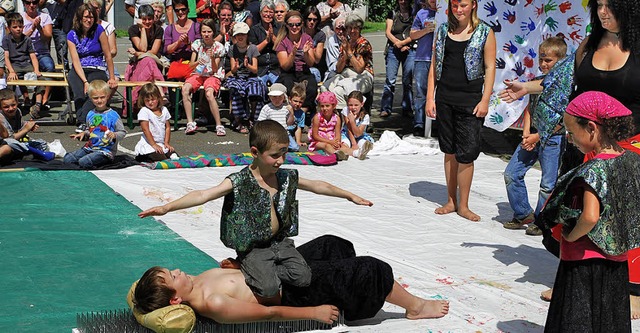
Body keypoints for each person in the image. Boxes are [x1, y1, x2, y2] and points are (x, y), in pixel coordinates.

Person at [498, 0, 640, 313]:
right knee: (576, 214)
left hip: (629, 150)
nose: (603, 12)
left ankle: (630, 291)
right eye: (599, 5)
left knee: (621, 222)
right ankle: (571, 280)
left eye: (611, 6)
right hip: (585, 147)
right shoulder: (588, 45)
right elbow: (561, 83)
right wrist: (526, 88)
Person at [138, 119, 374, 300]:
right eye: (274, 156)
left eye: (284, 153)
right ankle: (245, 265)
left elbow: (318, 185)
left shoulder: (284, 176)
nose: (281, 160)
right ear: (255, 153)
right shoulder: (239, 181)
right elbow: (202, 195)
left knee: (303, 278)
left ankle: (261, 269)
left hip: (280, 243)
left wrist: (350, 196)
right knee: (268, 288)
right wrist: (166, 207)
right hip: (254, 249)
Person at [133, 235, 450, 324]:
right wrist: (312, 313)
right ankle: (415, 306)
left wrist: (239, 263)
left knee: (331, 244)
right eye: (172, 277)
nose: (177, 271)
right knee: (368, 268)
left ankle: (354, 303)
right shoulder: (212, 304)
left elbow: (139, 293)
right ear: (175, 299)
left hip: (276, 270)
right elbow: (267, 312)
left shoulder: (197, 282)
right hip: (292, 293)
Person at [540, 91, 640, 332]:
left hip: (583, 259)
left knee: (578, 318)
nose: (569, 138)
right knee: (609, 318)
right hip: (617, 260)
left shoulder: (594, 170)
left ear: (592, 129)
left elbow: (590, 216)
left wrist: (571, 236)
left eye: (572, 132)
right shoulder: (632, 160)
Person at [425, 0, 496, 222]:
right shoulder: (444, 29)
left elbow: (490, 67)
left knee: (467, 154)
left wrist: (485, 99)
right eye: (455, 5)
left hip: (470, 100)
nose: (459, 10)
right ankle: (451, 200)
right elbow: (434, 65)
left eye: (463, 5)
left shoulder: (485, 32)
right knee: (449, 150)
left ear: (473, 5)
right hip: (445, 98)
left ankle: (464, 205)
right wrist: (430, 97)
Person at [503, 37, 569, 236]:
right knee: (512, 174)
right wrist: (526, 133)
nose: (543, 64)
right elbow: (530, 108)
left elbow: (564, 119)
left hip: (553, 139)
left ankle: (542, 220)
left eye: (548, 60)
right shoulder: (537, 81)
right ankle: (523, 213)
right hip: (533, 136)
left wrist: (538, 137)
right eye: (541, 59)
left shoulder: (565, 86)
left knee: (547, 184)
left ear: (561, 61)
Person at [66, 4, 117, 128]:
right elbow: (75, 61)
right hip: (79, 69)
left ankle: (82, 121)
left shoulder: (99, 30)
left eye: (92, 17)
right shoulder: (71, 35)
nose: (89, 20)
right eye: (86, 17)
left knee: (93, 92)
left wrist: (111, 77)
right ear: (79, 17)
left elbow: (108, 55)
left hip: (97, 67)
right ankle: (83, 122)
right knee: (79, 94)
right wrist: (84, 81)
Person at [63, 80, 126, 169]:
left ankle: (101, 162)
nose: (99, 100)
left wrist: (115, 135)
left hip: (105, 151)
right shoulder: (90, 114)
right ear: (90, 98)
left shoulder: (113, 115)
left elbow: (122, 132)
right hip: (90, 148)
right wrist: (84, 133)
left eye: (102, 97)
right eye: (96, 98)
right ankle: (90, 160)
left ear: (107, 96)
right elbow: (91, 130)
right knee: (67, 159)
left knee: (83, 162)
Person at [181, 18, 226, 135]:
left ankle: (219, 125)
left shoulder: (218, 47)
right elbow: (191, 66)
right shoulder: (197, 44)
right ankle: (190, 123)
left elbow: (215, 69)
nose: (206, 34)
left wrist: (211, 57)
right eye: (204, 31)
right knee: (185, 89)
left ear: (213, 32)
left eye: (209, 32)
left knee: (209, 93)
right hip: (198, 74)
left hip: (212, 75)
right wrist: (198, 62)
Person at [322, 14, 373, 110]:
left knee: (338, 91)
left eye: (355, 28)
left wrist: (349, 52)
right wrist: (344, 56)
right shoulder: (345, 43)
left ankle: (345, 119)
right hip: (345, 74)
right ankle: (332, 118)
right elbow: (338, 69)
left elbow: (359, 69)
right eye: (350, 28)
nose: (352, 31)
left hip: (363, 76)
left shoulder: (363, 44)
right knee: (325, 88)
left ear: (360, 29)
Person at [224, 21, 266, 134]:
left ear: (247, 35)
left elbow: (255, 69)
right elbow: (232, 70)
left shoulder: (252, 48)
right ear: (235, 36)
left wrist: (248, 65)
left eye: (243, 34)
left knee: (255, 90)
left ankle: (252, 117)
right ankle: (240, 120)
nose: (240, 37)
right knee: (236, 89)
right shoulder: (233, 49)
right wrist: (236, 67)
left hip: (251, 76)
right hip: (238, 77)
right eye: (238, 35)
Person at [125, 4, 166, 115]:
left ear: (153, 18)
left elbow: (153, 51)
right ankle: (161, 93)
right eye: (144, 19)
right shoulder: (133, 30)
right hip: (137, 64)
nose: (147, 22)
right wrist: (142, 29)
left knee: (149, 60)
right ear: (139, 19)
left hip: (153, 61)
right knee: (148, 60)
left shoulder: (158, 30)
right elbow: (143, 47)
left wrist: (138, 53)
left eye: (150, 19)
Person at [2, 12, 45, 119]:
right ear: (9, 28)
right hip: (14, 65)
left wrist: (36, 70)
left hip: (26, 64)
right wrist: (11, 71)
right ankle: (11, 105)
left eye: (20, 27)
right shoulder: (6, 39)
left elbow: (32, 56)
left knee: (41, 79)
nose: (18, 29)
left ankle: (37, 105)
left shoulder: (27, 39)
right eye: (15, 27)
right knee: (11, 81)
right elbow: (6, 57)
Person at [274, 10, 317, 113]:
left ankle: (302, 110)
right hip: (288, 72)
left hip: (304, 71)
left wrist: (306, 53)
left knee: (312, 87)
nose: (294, 27)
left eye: (297, 24)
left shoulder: (307, 39)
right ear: (286, 25)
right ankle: (290, 110)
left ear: (302, 24)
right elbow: (285, 66)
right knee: (289, 86)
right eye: (291, 25)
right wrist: (293, 53)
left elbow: (311, 63)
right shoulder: (282, 42)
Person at [380, 0, 415, 119]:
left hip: (409, 48)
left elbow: (416, 32)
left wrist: (405, 43)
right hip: (393, 49)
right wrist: (397, 43)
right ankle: (385, 108)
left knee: (407, 81)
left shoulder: (414, 12)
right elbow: (388, 32)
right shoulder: (392, 13)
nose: (403, 2)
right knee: (390, 80)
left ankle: (407, 107)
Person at [0, 88, 53, 162]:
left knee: (41, 143)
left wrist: (28, 125)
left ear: (17, 102)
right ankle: (30, 151)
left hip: (17, 144)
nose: (11, 108)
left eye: (13, 105)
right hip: (5, 144)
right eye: (6, 107)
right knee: (10, 144)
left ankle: (26, 152)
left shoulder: (17, 111)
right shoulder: (1, 118)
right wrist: (26, 129)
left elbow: (20, 126)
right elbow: (8, 138)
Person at [22, 0, 54, 114]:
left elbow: (48, 37)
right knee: (19, 70)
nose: (31, 5)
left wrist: (39, 28)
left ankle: (43, 99)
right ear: (24, 3)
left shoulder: (45, 17)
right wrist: (32, 29)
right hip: (25, 53)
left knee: (50, 67)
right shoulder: (20, 17)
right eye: (28, 2)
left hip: (41, 52)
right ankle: (26, 97)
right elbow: (18, 39)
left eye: (34, 2)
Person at [409, 0, 436, 137]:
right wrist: (426, 30)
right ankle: (419, 124)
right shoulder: (422, 13)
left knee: (439, 93)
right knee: (421, 92)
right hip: (422, 58)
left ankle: (437, 123)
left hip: (440, 59)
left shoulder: (447, 13)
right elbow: (412, 35)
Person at [134, 83, 176, 162]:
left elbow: (167, 127)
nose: (150, 102)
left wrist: (166, 143)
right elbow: (145, 129)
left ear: (158, 98)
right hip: (149, 143)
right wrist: (153, 145)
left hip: (161, 143)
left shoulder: (164, 110)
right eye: (147, 100)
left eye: (153, 99)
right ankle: (142, 157)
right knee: (162, 159)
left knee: (173, 155)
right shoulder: (144, 111)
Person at [164, 0, 201, 81]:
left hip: (192, 64)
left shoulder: (196, 27)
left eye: (183, 9)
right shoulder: (169, 29)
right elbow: (167, 50)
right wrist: (178, 42)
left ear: (188, 9)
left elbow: (200, 49)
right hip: (176, 64)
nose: (180, 12)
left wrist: (188, 43)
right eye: (177, 10)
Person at [307, 91, 347, 160]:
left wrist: (337, 142)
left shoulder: (337, 118)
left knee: (343, 146)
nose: (325, 108)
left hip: (331, 139)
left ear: (333, 106)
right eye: (322, 106)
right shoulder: (317, 117)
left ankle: (355, 153)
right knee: (326, 146)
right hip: (318, 141)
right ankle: (338, 155)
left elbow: (338, 134)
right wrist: (330, 142)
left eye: (327, 106)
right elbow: (315, 136)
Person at [248, 0, 279, 87]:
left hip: (276, 70)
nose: (268, 14)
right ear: (260, 13)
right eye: (265, 11)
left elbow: (282, 47)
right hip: (260, 70)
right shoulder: (254, 30)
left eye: (271, 12)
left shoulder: (279, 28)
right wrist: (266, 41)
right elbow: (253, 51)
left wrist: (272, 38)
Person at [340, 90, 373, 160]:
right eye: (350, 105)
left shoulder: (365, 116)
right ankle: (356, 153)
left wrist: (352, 121)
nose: (353, 107)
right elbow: (349, 129)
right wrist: (354, 144)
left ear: (362, 104)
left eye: (356, 105)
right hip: (347, 134)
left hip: (359, 135)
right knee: (344, 144)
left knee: (362, 142)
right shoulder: (346, 111)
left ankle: (363, 148)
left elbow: (358, 134)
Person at [302, 6, 325, 83]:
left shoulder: (320, 35)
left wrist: (310, 46)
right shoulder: (299, 32)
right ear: (305, 20)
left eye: (314, 20)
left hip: (313, 68)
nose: (312, 22)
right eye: (309, 19)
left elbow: (317, 59)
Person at [323, 16, 344, 82]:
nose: (341, 31)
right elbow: (332, 67)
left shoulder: (352, 39)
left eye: (344, 28)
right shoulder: (331, 40)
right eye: (338, 28)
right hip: (335, 73)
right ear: (334, 29)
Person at [286, 83, 306, 151]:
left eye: (300, 102)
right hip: (282, 132)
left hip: (291, 134)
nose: (297, 104)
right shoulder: (285, 109)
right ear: (290, 99)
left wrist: (298, 141)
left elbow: (298, 128)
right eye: (295, 101)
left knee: (295, 147)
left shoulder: (301, 113)